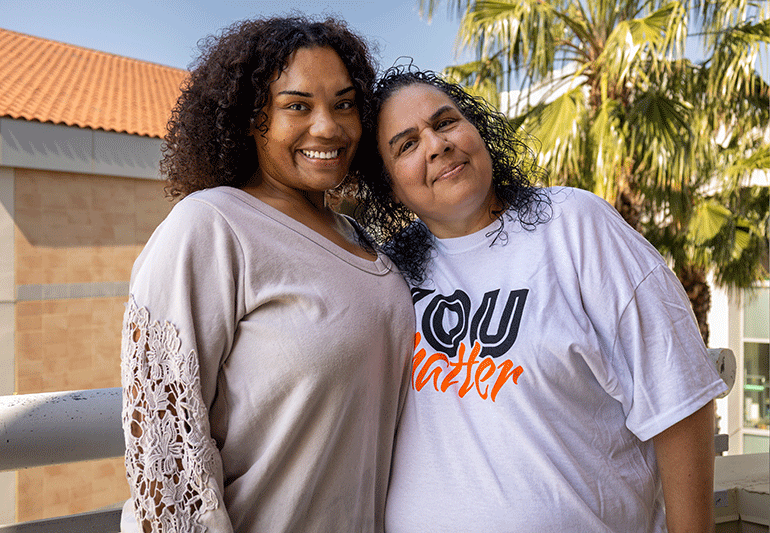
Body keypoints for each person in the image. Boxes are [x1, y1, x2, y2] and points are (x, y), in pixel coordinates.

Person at [356, 66, 728, 533]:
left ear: (478, 131)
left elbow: (679, 396)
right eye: (406, 144)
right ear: (389, 185)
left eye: (446, 122)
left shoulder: (574, 226)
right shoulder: (388, 274)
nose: (436, 144)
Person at [119, 17, 414, 533]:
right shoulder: (211, 226)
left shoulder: (358, 238)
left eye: (344, 104)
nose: (328, 127)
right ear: (251, 119)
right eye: (297, 106)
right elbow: (165, 451)